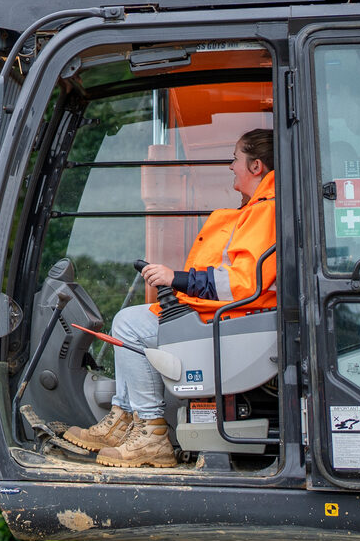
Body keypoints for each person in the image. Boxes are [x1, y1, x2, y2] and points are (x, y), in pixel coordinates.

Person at [64, 128, 278, 468]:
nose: (230, 166)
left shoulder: (265, 212)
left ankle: (150, 434)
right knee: (130, 321)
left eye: (235, 158)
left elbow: (242, 285)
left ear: (255, 166)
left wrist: (175, 278)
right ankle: (126, 419)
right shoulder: (257, 209)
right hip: (230, 314)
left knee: (130, 325)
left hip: (236, 319)